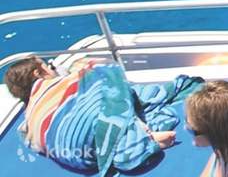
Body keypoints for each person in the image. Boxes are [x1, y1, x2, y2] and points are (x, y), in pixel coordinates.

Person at [5, 56, 200, 173]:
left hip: (80, 156)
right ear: (37, 74)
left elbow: (35, 140)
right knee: (104, 74)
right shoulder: (50, 85)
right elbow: (102, 71)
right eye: (48, 66)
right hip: (91, 134)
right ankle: (135, 139)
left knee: (108, 101)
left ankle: (126, 138)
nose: (53, 69)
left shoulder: (29, 120)